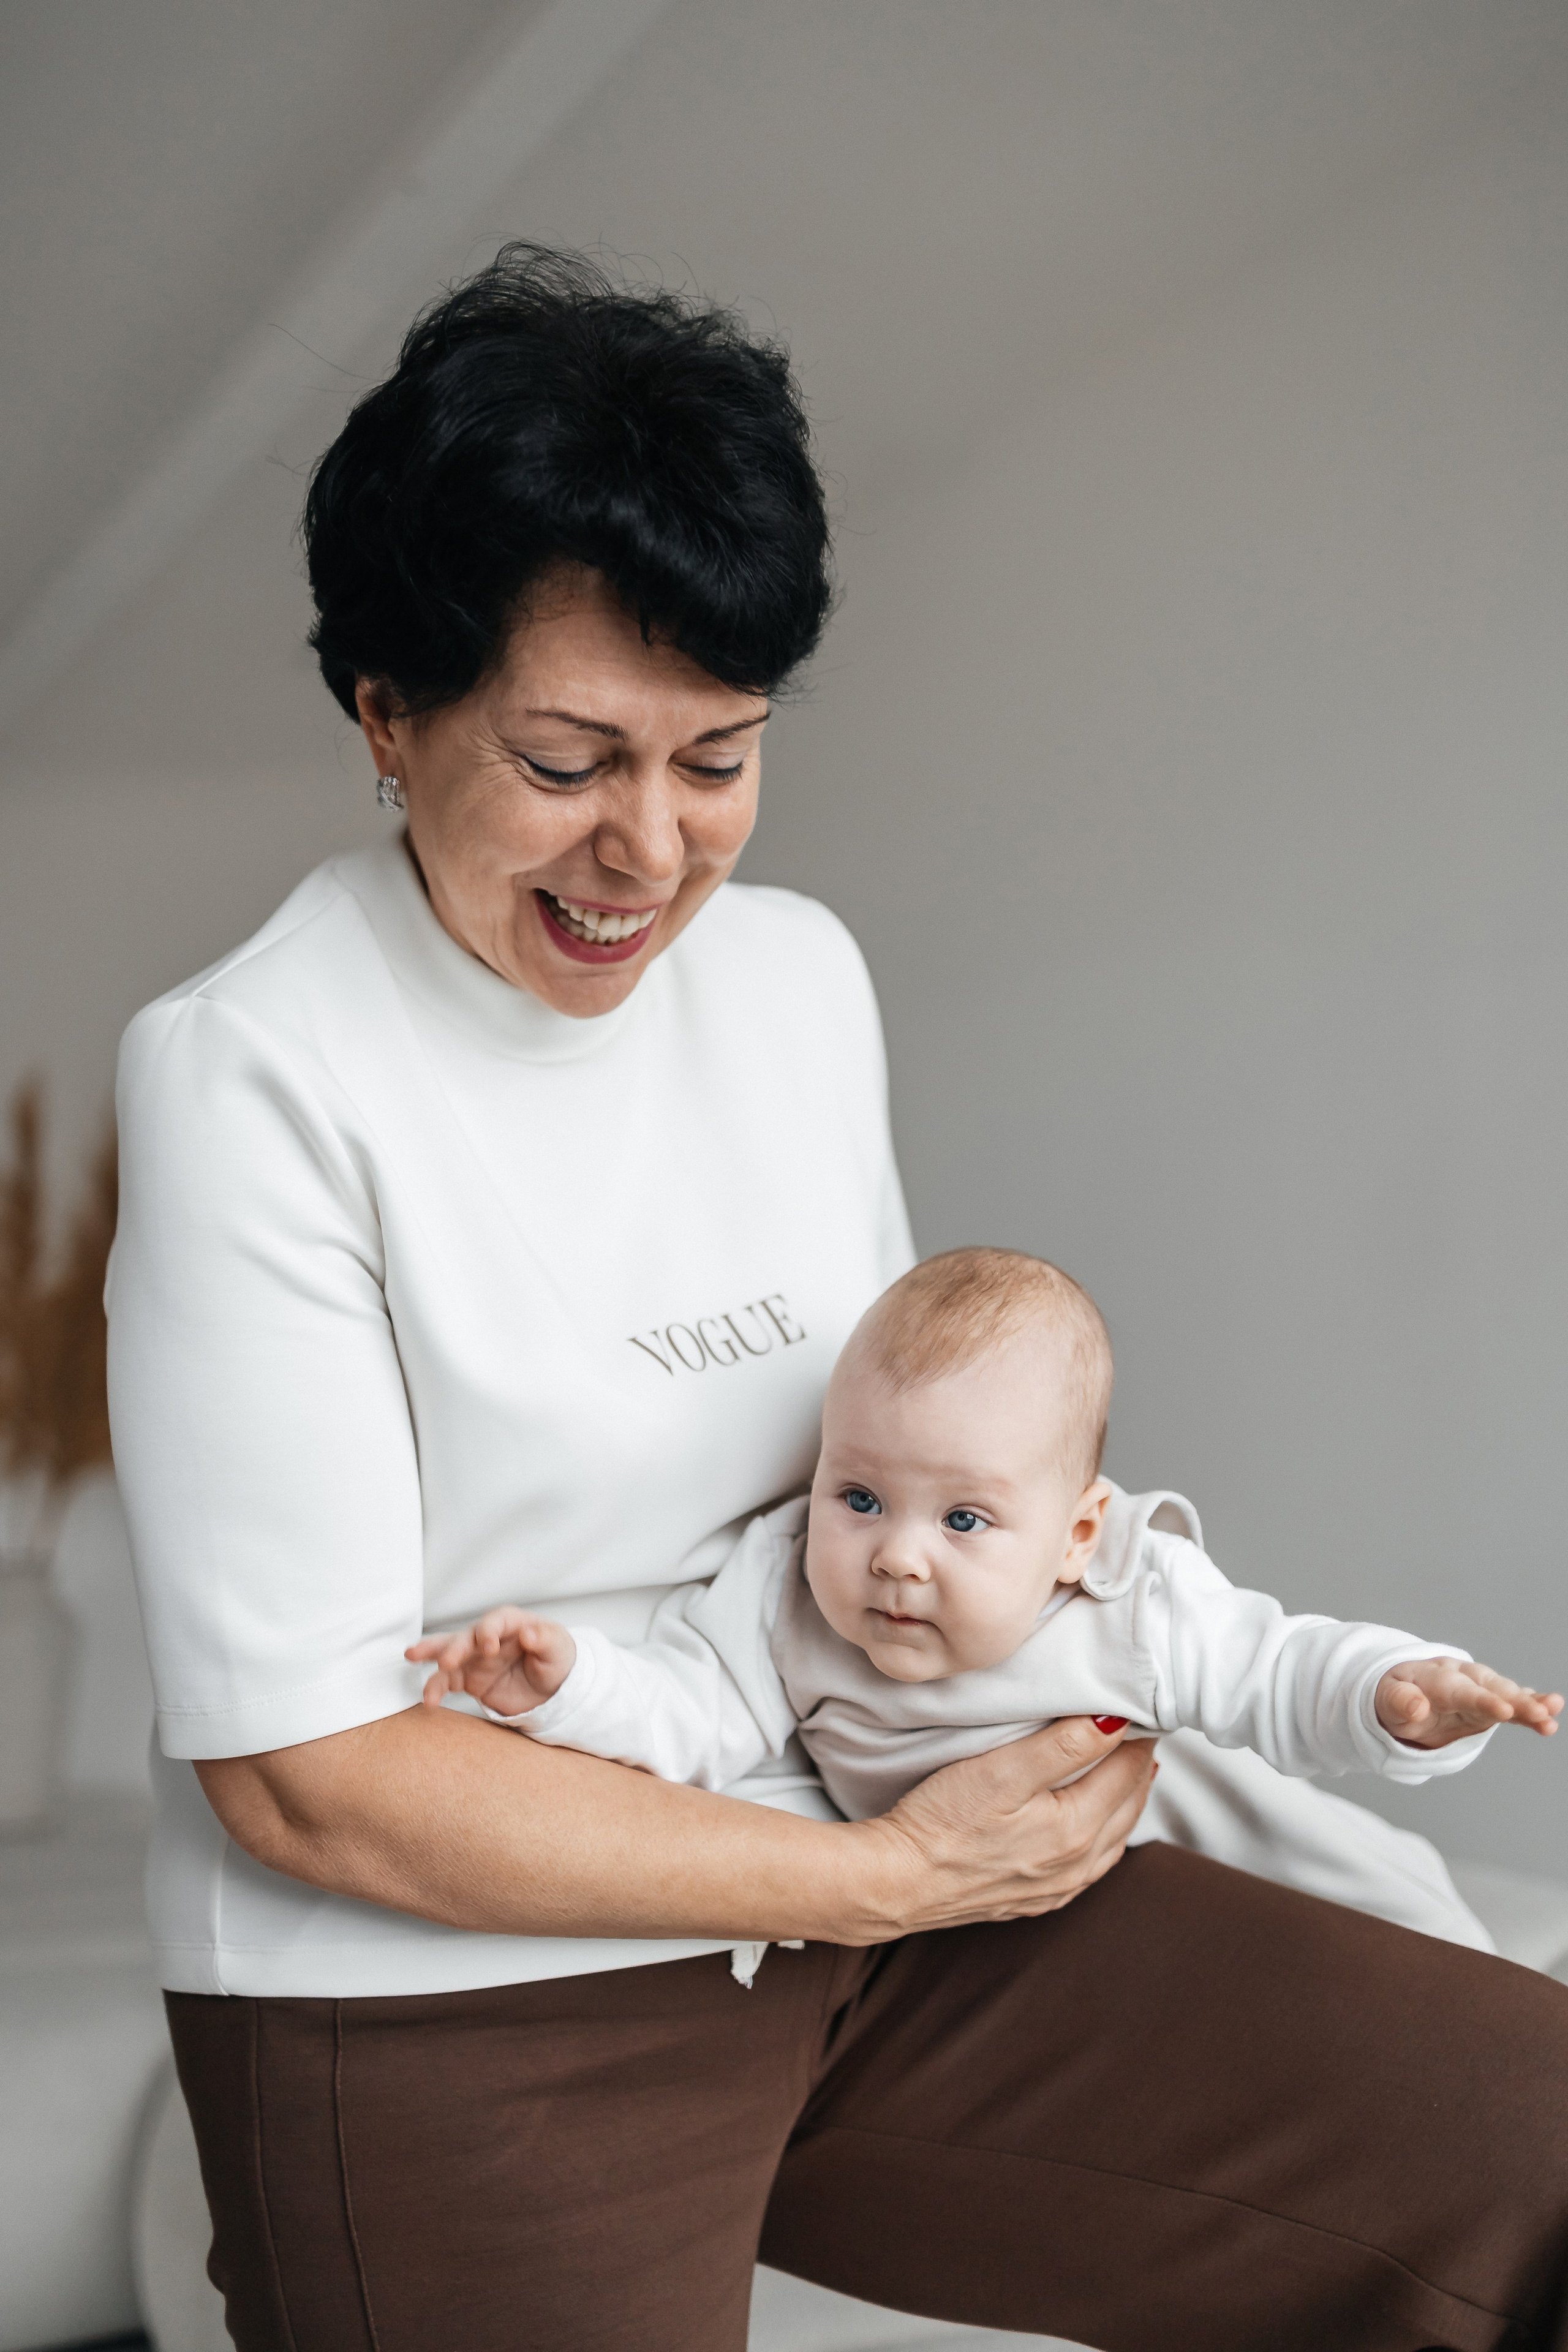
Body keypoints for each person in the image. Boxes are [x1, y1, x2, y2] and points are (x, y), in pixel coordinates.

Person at [107, 245, 1568, 2352]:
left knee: (1517, 2138)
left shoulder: (792, 981)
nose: (648, 850)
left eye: (717, 756)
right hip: (464, 1999)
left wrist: (1123, 1677)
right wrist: (878, 1882)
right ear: (386, 715)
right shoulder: (255, 1072)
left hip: (877, 1846)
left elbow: (910, 1450)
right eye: (569, 757)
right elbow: (307, 1777)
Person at [413, 1245, 1558, 1980]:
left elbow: (1278, 1672)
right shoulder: (781, 1593)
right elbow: (689, 1717)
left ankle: (1485, 1984)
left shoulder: (1126, 1598)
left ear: (1076, 1535)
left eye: (964, 1521)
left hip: (1192, 1823)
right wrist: (566, 1683)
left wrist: (1396, 1695)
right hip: (1016, 1921)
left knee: (1395, 1927)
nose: (897, 1560)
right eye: (858, 1497)